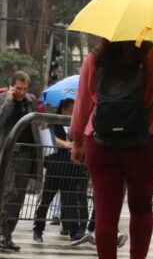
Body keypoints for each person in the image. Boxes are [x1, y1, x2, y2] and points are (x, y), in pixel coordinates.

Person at [70, 39, 153, 259]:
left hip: (100, 143)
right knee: (141, 210)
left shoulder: (95, 57)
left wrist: (77, 140)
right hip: (143, 142)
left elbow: (82, 104)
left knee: (105, 214)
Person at [0, 71, 44, 252]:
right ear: (11, 86)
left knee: (19, 197)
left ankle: (8, 234)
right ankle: (0, 233)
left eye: (25, 89)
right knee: (8, 193)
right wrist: (9, 101)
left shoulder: (30, 101)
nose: (22, 92)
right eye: (18, 88)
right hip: (8, 154)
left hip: (26, 155)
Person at [33, 98, 93, 245]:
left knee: (70, 201)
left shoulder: (78, 124)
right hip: (55, 167)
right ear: (64, 109)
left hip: (72, 169)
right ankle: (38, 228)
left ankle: (73, 232)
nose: (74, 113)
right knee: (46, 200)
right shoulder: (53, 121)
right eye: (72, 109)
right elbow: (48, 139)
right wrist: (66, 144)